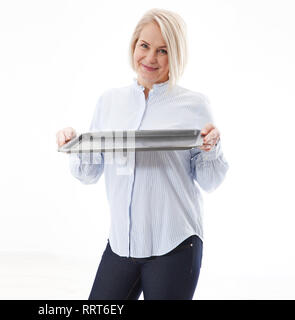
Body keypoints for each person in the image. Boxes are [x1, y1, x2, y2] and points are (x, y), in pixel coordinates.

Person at [55, 8, 229, 300]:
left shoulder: (194, 104)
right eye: (144, 46)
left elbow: (210, 181)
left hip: (174, 244)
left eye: (163, 50)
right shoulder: (109, 102)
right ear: (134, 45)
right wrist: (75, 144)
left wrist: (212, 148)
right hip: (122, 245)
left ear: (176, 55)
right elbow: (88, 173)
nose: (150, 58)